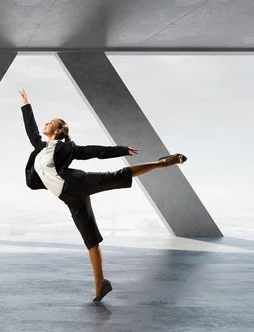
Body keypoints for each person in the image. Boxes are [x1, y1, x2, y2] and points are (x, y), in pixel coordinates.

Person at [18, 88, 187, 301]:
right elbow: (31, 129)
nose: (46, 124)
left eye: (51, 122)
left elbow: (94, 152)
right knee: (90, 238)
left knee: (116, 175)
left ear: (60, 130)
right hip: (67, 196)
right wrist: (26, 104)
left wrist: (122, 150)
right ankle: (101, 284)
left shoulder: (68, 148)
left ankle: (161, 163)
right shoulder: (40, 147)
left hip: (76, 183)